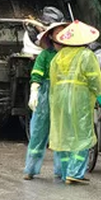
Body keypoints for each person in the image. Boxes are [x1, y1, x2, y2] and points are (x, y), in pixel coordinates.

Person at [49, 20, 101, 184]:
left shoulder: (58, 57)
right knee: (82, 135)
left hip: (60, 99)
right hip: (79, 99)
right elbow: (94, 79)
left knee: (64, 134)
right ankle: (75, 173)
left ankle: (64, 172)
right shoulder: (86, 55)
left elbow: (53, 81)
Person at [23, 10, 68, 181]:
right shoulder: (45, 56)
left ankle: (63, 171)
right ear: (50, 37)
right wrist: (34, 92)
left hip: (63, 96)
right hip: (45, 96)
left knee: (62, 134)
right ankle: (31, 169)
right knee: (38, 133)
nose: (59, 37)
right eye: (56, 34)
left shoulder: (69, 56)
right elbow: (37, 75)